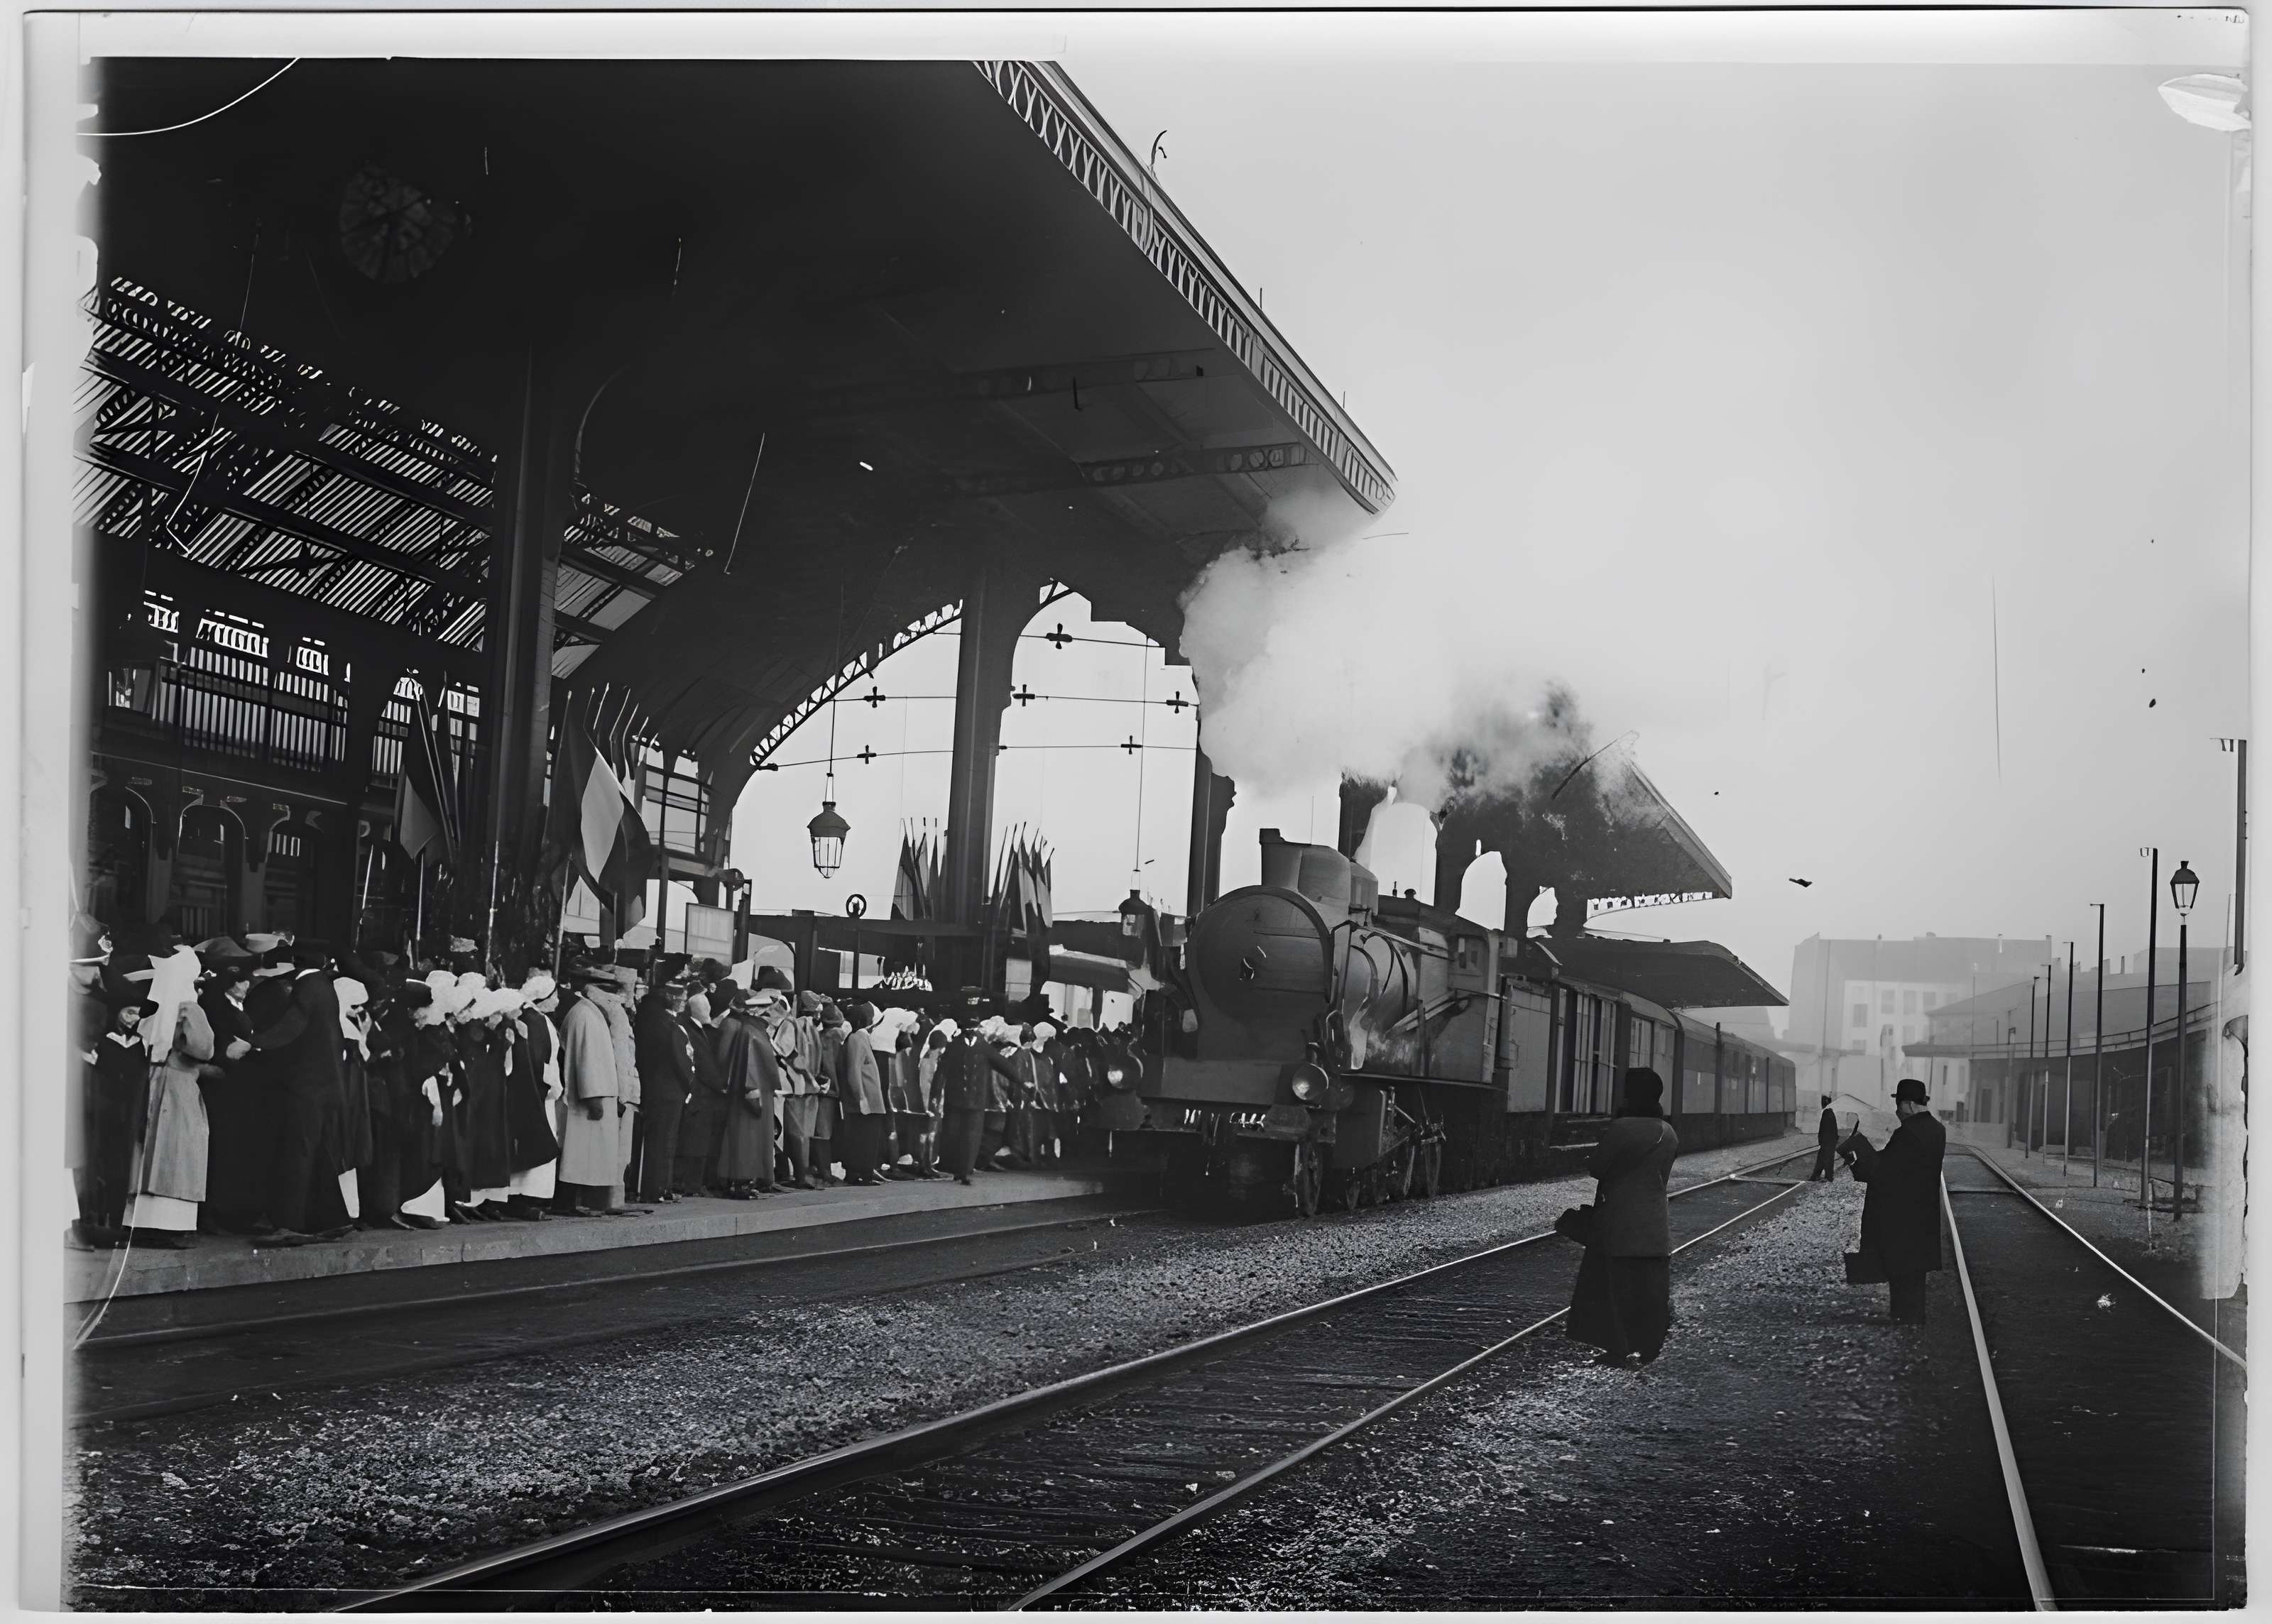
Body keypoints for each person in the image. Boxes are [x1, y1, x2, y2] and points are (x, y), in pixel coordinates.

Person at [1567, 1067, 1680, 1368]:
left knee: (1614, 1288)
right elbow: (1664, 1176)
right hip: (1655, 1220)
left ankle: (1617, 1350)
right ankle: (1649, 1349)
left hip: (1619, 1218)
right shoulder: (1668, 1132)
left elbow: (1598, 1168)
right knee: (1649, 1290)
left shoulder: (1621, 1128)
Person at [248, 939, 353, 1246]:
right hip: (326, 1085)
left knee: (297, 1152)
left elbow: (293, 1025)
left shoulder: (308, 986)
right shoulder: (325, 985)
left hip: (307, 1086)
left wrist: (255, 1042)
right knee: (318, 1151)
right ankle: (332, 1219)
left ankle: (288, 1223)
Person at [121, 945, 215, 1249]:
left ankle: (138, 1222)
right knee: (178, 1150)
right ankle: (172, 1223)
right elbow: (203, 1048)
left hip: (149, 1079)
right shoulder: (189, 1007)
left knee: (147, 1147)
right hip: (179, 1084)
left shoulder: (152, 1004)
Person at [1842, 1077, 1948, 1324]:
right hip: (1923, 1214)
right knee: (1914, 1273)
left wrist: (1857, 1150)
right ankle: (1911, 1320)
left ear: (1910, 1105)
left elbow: (1881, 1171)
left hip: (1901, 1217)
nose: (1897, 1112)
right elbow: (1899, 1164)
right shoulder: (1937, 1130)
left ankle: (1906, 1321)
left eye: (1899, 1106)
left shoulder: (1908, 1134)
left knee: (1902, 1272)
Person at [555, 965, 631, 1217]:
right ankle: (574, 1203)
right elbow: (586, 1059)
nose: (615, 998)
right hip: (590, 1097)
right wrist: (594, 1096)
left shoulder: (591, 1013)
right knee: (582, 1154)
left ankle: (591, 1202)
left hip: (600, 1094)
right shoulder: (585, 1015)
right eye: (610, 991)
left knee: (592, 1155)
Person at [932, 1017, 1021, 1185]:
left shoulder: (984, 1047)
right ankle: (956, 1168)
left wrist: (1023, 1083)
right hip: (956, 1099)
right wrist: (936, 1094)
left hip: (977, 1100)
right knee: (955, 1134)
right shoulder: (955, 1046)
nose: (972, 1033)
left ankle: (965, 1171)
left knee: (972, 1137)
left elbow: (1005, 1067)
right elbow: (942, 1071)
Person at [715, 989, 784, 1195]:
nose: (769, 1012)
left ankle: (744, 1180)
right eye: (765, 1008)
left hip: (755, 1091)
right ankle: (742, 1181)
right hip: (753, 1092)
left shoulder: (752, 1030)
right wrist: (752, 1091)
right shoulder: (751, 1031)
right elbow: (751, 1065)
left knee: (748, 1138)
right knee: (747, 1139)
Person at [633, 977, 696, 1203]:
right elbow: (681, 1061)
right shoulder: (668, 1025)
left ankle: (658, 1188)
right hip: (669, 1090)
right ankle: (658, 1189)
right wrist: (690, 1084)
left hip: (655, 1088)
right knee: (665, 1142)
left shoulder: (648, 1019)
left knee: (658, 1141)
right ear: (669, 996)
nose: (683, 1000)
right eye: (681, 996)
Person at [676, 990, 729, 1195]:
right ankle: (691, 1185)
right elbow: (704, 1064)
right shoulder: (694, 1030)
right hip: (701, 1095)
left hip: (701, 1094)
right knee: (696, 1142)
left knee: (696, 1141)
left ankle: (692, 1184)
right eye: (704, 1007)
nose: (708, 1010)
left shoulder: (697, 1028)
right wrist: (721, 1086)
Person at [836, 1002, 889, 1186]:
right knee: (864, 1139)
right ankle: (861, 1173)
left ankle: (860, 1172)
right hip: (866, 1100)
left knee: (863, 1138)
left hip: (867, 1100)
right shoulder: (858, 1039)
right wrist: (861, 1098)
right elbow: (854, 1070)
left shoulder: (858, 1038)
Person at [1813, 1095, 1841, 1182]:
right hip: (1829, 1141)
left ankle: (1828, 1177)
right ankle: (1816, 1176)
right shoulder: (1830, 1112)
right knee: (1822, 1158)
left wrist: (1822, 1141)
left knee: (1827, 1159)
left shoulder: (1827, 1113)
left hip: (1827, 1141)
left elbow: (1825, 1130)